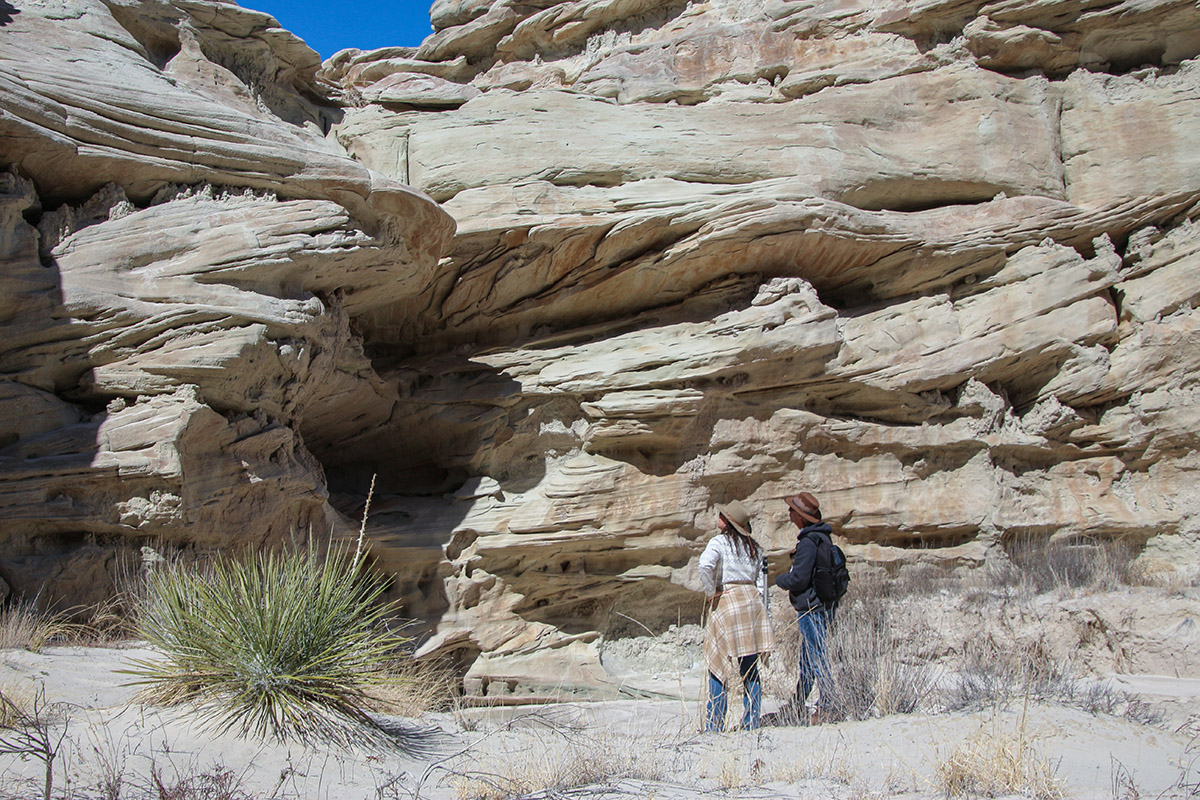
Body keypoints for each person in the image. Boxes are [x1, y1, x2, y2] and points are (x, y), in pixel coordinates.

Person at [698, 499, 774, 731]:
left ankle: (715, 723)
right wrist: (764, 612)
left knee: (718, 663)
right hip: (751, 603)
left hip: (729, 601)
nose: (718, 516)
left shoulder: (719, 542)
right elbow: (762, 585)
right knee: (750, 667)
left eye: (722, 514)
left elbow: (704, 566)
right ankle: (751, 722)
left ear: (728, 522)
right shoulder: (755, 547)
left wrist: (712, 592)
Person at [775, 492, 837, 724]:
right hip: (821, 605)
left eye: (792, 510)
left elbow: (800, 578)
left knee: (817, 656)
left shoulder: (808, 543)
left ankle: (829, 704)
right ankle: (799, 703)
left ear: (800, 517)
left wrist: (781, 580)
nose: (789, 513)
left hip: (811, 608)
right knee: (808, 659)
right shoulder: (822, 538)